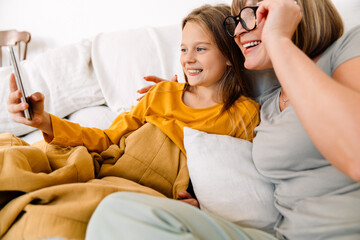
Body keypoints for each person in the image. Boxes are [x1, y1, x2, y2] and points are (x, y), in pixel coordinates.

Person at [85, 0, 360, 239]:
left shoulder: (348, 48)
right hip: (280, 234)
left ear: (294, 9)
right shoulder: (266, 105)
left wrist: (277, 39)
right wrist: (181, 93)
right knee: (118, 211)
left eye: (253, 14)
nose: (239, 31)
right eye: (236, 21)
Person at [6, 6, 258, 198]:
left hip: (145, 189)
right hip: (111, 167)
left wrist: (198, 202)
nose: (188, 59)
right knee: (13, 157)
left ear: (229, 55)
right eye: (183, 49)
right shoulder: (162, 94)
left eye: (200, 49)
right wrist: (45, 121)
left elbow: (236, 179)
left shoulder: (243, 113)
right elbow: (106, 138)